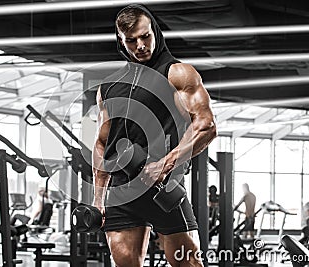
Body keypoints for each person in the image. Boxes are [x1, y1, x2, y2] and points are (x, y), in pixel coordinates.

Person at [92, 4, 216, 267]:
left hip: (163, 191)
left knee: (189, 264)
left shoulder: (178, 74)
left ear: (155, 32)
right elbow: (102, 143)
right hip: (121, 193)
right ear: (121, 41)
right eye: (131, 40)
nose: (140, 46)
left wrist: (166, 163)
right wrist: (98, 198)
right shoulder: (109, 87)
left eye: (145, 36)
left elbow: (206, 125)